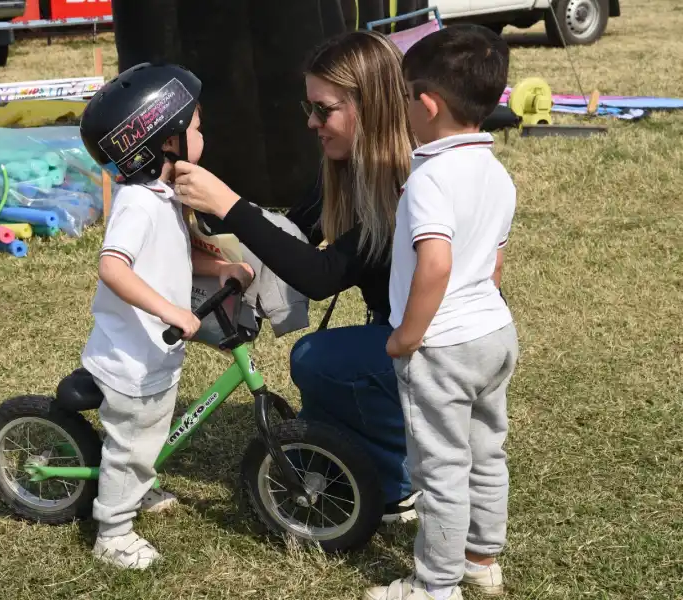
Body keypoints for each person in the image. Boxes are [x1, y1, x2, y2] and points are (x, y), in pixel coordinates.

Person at [171, 30, 419, 521]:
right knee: (327, 376)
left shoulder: (404, 186)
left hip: (430, 344)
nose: (311, 122)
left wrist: (229, 204)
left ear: (369, 106)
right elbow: (295, 230)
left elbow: (321, 275)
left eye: (324, 109)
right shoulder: (350, 168)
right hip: (396, 331)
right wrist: (210, 234)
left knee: (316, 358)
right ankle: (354, 451)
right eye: (309, 108)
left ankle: (399, 482)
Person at [78, 62, 254, 570]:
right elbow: (114, 267)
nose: (203, 132)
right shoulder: (136, 203)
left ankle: (138, 489)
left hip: (157, 351)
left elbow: (172, 255)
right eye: (195, 126)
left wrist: (221, 268)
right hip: (131, 360)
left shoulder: (161, 196)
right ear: (166, 141)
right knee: (131, 445)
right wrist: (170, 309)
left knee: (150, 436)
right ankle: (112, 531)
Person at [364, 25, 518, 600]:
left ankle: (435, 586)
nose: (402, 109)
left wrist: (407, 335)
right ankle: (481, 558)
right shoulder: (498, 176)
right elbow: (494, 264)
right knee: (486, 451)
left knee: (441, 471)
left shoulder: (429, 178)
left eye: (405, 98)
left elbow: (435, 265)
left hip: (444, 346)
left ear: (426, 105)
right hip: (494, 333)